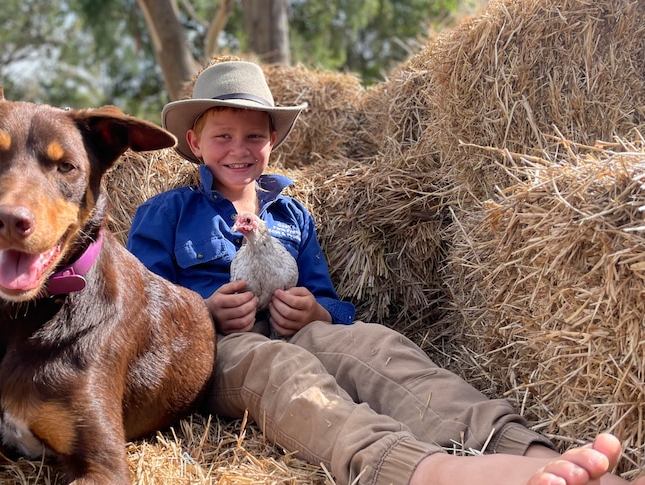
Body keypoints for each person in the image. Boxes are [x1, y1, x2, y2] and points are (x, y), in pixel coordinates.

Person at [126, 59, 643, 485]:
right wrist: (204, 311)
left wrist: (314, 311)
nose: (238, 149)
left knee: (376, 347)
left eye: (253, 136)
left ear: (272, 141)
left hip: (299, 334)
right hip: (220, 352)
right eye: (222, 136)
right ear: (194, 142)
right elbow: (138, 312)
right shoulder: (166, 214)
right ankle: (425, 471)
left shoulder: (292, 216)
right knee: (284, 372)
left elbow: (330, 300)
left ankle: (523, 451)